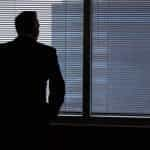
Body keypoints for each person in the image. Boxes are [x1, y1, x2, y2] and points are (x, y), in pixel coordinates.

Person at [0, 11, 65, 149]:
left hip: (7, 120)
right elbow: (58, 86)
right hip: (36, 120)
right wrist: (50, 112)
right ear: (35, 28)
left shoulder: (2, 51)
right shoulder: (47, 52)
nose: (39, 29)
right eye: (38, 26)